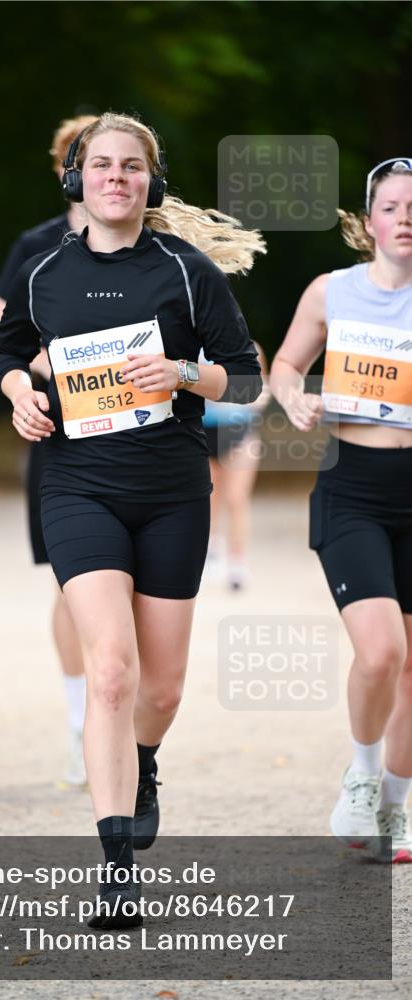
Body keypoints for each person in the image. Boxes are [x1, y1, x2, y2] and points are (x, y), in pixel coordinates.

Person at [0, 111, 265, 927]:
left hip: (172, 489)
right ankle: (114, 872)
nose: (116, 177)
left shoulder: (185, 273)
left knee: (161, 686)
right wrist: (17, 396)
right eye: (101, 165)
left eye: (131, 167)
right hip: (78, 486)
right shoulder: (45, 270)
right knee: (110, 669)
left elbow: (245, 382)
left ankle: (143, 761)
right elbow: (5, 352)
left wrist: (184, 372)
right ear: (76, 178)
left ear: (150, 180)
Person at [270, 157, 412, 863]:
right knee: (381, 650)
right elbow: (286, 366)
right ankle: (360, 773)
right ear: (367, 222)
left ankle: (396, 804)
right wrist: (295, 399)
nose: (404, 218)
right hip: (353, 484)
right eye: (390, 206)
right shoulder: (332, 292)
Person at [0, 114, 98, 787]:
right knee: (71, 576)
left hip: (144, 433)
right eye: (78, 158)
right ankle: (82, 719)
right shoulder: (36, 245)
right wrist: (39, 366)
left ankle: (128, 717)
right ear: (62, 170)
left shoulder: (159, 242)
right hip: (60, 429)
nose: (96, 170)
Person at [202, 341, 269, 590]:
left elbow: (262, 389)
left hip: (240, 430)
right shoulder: (194, 347)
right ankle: (212, 550)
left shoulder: (251, 348)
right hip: (205, 429)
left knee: (236, 497)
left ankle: (237, 562)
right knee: (211, 496)